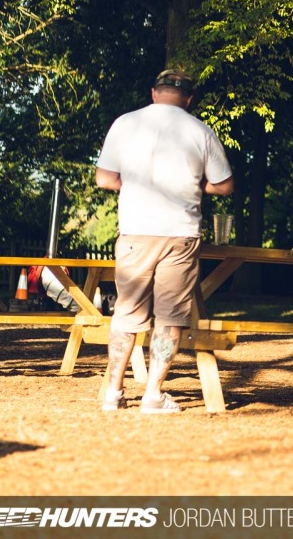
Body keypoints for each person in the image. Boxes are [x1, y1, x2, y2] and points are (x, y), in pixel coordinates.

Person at [94, 69, 234, 413]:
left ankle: (113, 392)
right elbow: (225, 185)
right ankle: (153, 395)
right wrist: (194, 185)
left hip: (135, 231)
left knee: (126, 312)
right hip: (179, 234)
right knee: (170, 318)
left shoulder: (125, 124)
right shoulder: (201, 131)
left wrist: (137, 185)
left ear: (154, 93)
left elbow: (104, 178)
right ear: (188, 99)